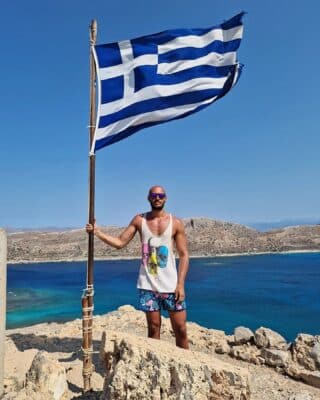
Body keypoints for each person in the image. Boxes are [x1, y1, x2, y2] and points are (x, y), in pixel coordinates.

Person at [86, 185, 189, 349]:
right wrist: (97, 232)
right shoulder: (139, 220)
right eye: (154, 195)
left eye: (161, 195)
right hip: (148, 284)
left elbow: (184, 255)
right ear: (148, 198)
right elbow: (120, 242)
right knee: (154, 328)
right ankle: (155, 364)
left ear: (166, 198)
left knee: (181, 329)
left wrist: (181, 284)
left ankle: (187, 363)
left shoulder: (176, 223)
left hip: (171, 285)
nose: (157, 198)